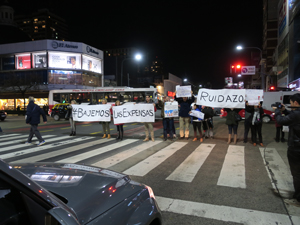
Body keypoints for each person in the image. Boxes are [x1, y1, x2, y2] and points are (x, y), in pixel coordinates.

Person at [274, 93, 300, 207]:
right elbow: (293, 116)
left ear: (295, 102)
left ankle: (298, 196)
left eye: (291, 102)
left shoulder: (296, 114)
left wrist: (277, 112)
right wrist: (285, 110)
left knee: (297, 174)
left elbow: (281, 120)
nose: (290, 104)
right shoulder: (296, 114)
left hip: (296, 148)